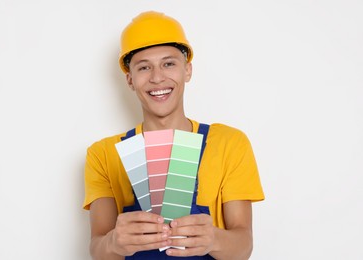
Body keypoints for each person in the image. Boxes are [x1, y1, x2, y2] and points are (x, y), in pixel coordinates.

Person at [83, 11, 265, 260]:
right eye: (144, 67)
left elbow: (243, 246)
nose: (157, 78)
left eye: (169, 63)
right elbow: (97, 249)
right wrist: (113, 243)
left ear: (187, 70)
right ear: (130, 80)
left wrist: (214, 238)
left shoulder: (229, 143)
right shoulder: (103, 153)